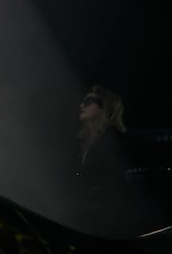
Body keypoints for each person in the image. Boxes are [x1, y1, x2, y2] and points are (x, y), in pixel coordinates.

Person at [68, 84, 137, 238]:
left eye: (88, 101)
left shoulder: (115, 143)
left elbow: (114, 192)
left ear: (105, 108)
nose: (81, 105)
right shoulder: (85, 143)